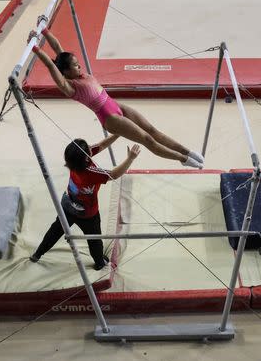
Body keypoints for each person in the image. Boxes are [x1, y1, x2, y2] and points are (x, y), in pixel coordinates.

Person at [29, 28, 204, 169]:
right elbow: (51, 65)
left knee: (152, 130)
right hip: (109, 118)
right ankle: (182, 159)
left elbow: (59, 50)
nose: (80, 66)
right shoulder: (69, 87)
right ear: (66, 72)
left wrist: (44, 31)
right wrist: (35, 48)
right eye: (75, 65)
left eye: (77, 63)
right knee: (147, 140)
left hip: (115, 105)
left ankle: (186, 151)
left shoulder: (77, 73)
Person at [30, 136, 139, 270]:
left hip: (67, 205)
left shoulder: (73, 161)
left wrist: (117, 133)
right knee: (94, 240)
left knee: (55, 230)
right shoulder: (90, 172)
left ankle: (37, 254)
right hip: (87, 214)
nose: (90, 149)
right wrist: (130, 158)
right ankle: (99, 262)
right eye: (88, 150)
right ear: (86, 158)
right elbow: (114, 175)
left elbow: (102, 144)